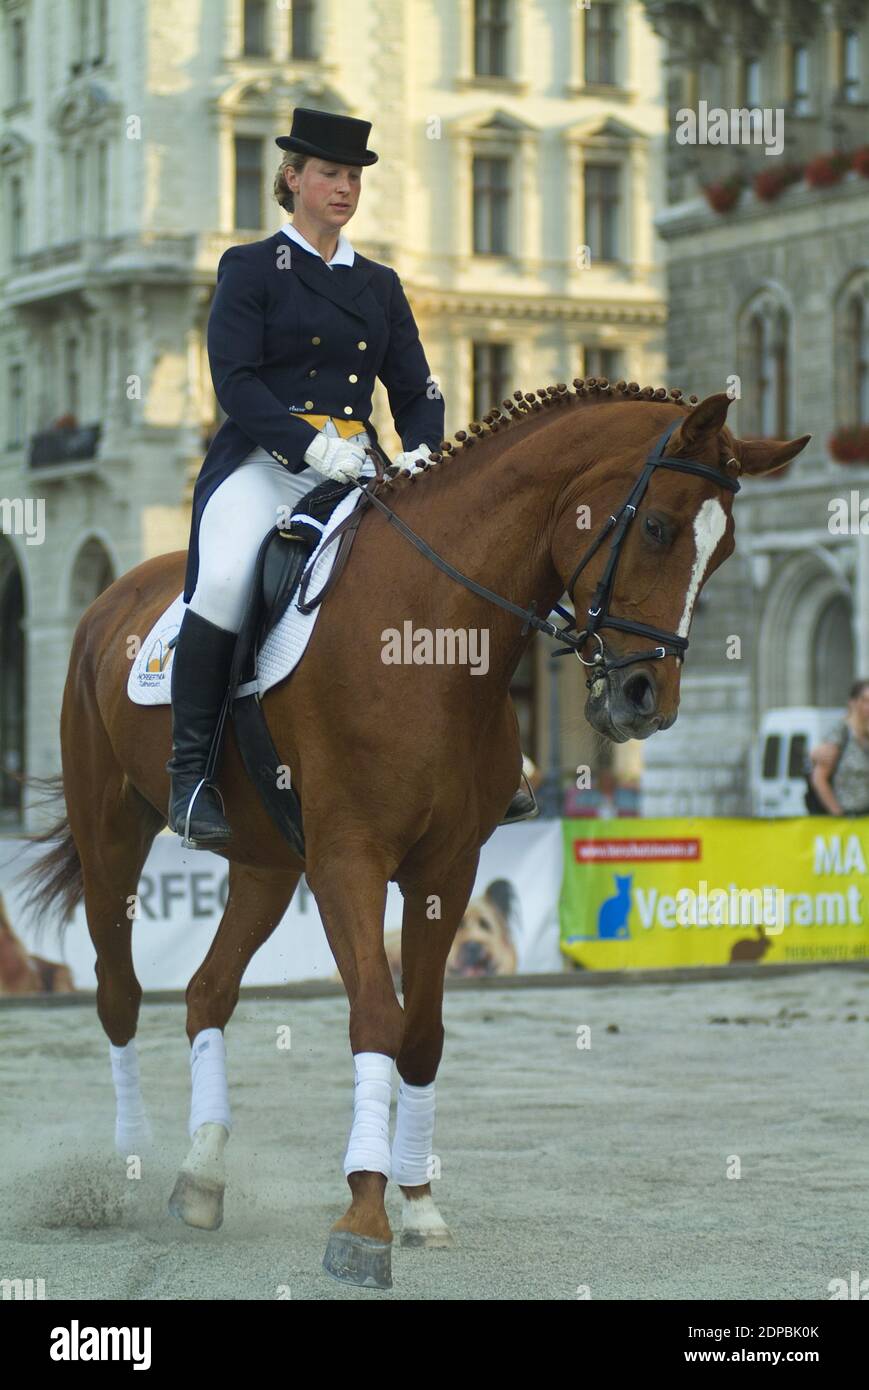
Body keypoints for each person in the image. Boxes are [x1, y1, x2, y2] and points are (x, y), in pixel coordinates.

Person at [168, 107, 534, 848]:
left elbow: (415, 388)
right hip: (265, 464)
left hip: (361, 469)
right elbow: (235, 382)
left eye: (354, 176)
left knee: (450, 575)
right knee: (227, 576)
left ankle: (493, 760)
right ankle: (191, 775)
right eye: (329, 174)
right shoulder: (248, 266)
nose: (343, 188)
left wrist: (422, 450)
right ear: (292, 179)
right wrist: (305, 447)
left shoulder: (378, 282)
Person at [809, 679, 869, 816]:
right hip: (848, 818)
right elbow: (819, 778)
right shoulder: (841, 733)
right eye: (864, 701)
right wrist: (838, 813)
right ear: (853, 703)